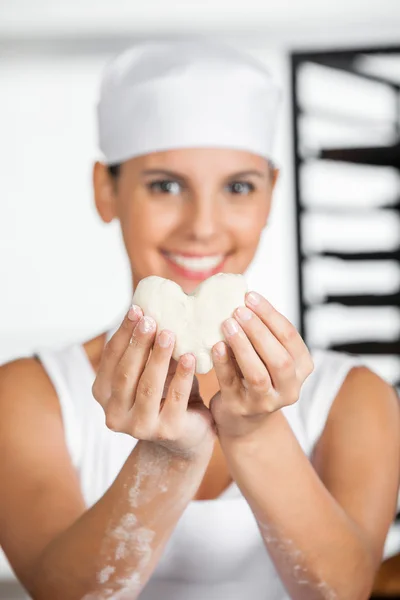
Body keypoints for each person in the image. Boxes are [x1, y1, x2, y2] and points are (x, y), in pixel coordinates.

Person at [0, 38, 399, 600]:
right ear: (105, 190)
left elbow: (342, 591)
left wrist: (257, 430)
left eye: (239, 187)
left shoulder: (355, 397)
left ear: (270, 196)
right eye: (165, 185)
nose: (203, 227)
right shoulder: (29, 394)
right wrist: (170, 455)